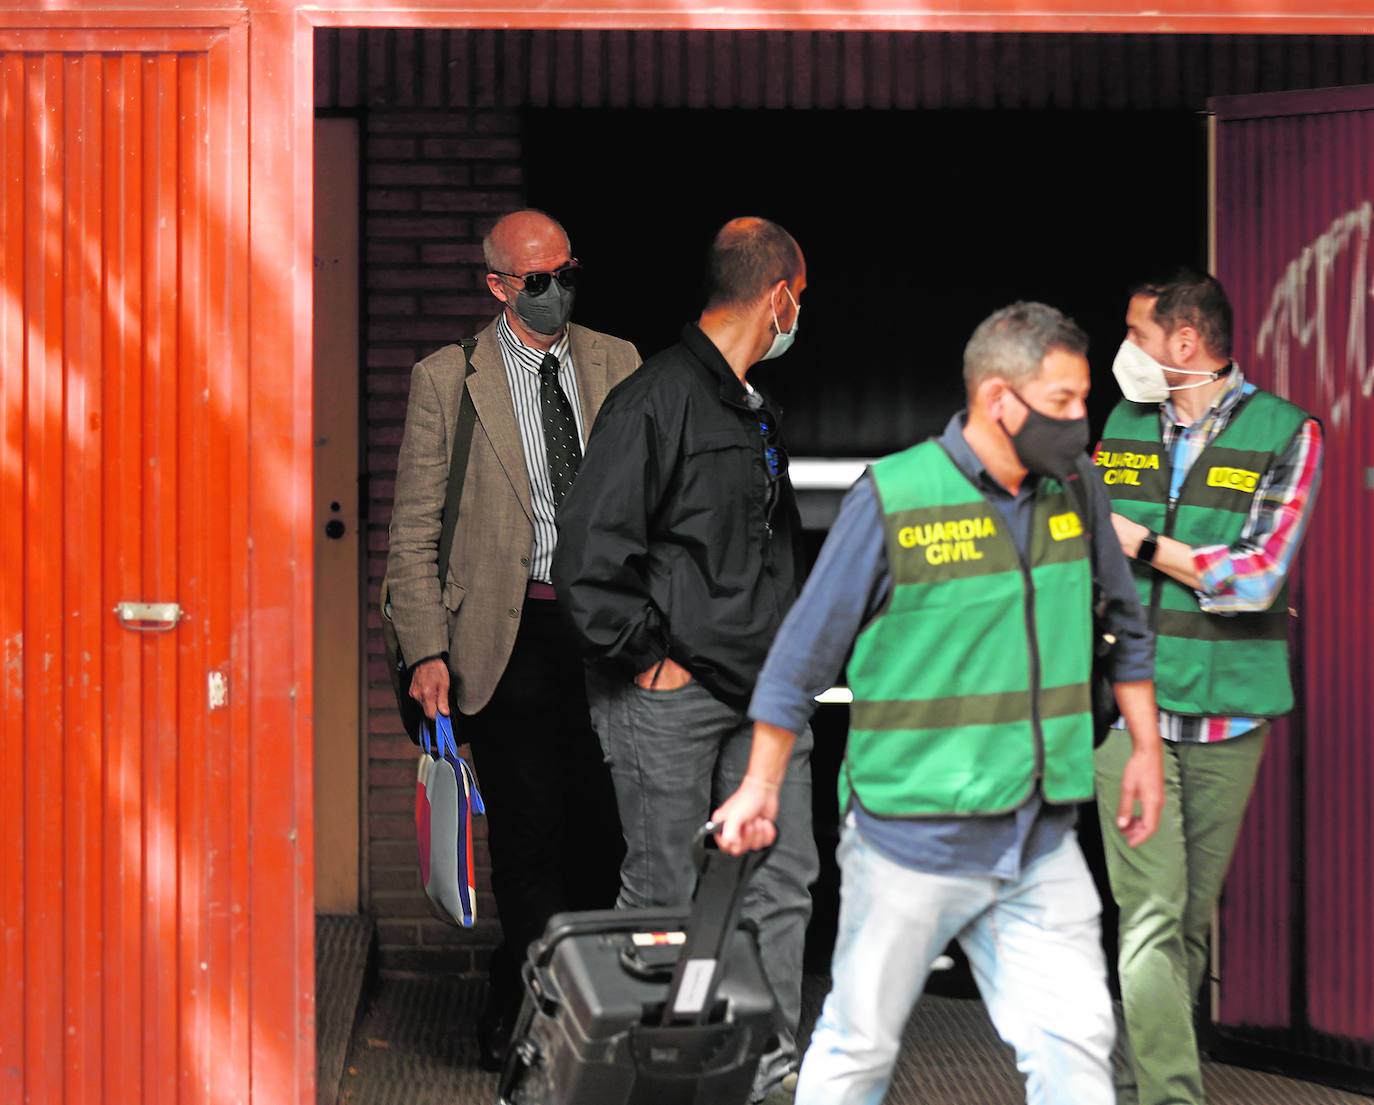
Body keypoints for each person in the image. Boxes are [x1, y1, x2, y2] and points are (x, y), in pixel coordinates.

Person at [713, 302, 1167, 1105]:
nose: (1080, 420)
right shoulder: (893, 497)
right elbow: (798, 659)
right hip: (907, 841)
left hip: (1038, 837)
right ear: (999, 398)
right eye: (1062, 401)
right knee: (857, 1048)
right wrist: (758, 784)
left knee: (1078, 1051)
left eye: (1081, 399)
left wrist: (1144, 753)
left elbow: (1125, 625)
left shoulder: (1078, 488)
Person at [551, 216, 818, 1103]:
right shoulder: (653, 399)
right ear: (777, 293)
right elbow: (588, 556)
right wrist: (647, 661)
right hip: (668, 696)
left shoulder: (754, 409)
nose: (799, 316)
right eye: (800, 299)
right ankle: (655, 1078)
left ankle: (766, 1070)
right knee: (665, 895)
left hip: (764, 695)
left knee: (779, 881)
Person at [384, 208, 640, 1070]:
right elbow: (414, 532)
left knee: (603, 835)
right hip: (509, 634)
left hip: (606, 630)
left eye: (569, 271)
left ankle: (541, 995)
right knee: (529, 837)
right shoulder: (446, 379)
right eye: (538, 280)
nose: (557, 290)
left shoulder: (619, 362)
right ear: (497, 285)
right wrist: (426, 650)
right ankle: (547, 1031)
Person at [1093, 269, 1324, 1105]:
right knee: (1151, 917)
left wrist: (1142, 543)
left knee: (1185, 924)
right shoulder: (1121, 422)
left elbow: (1258, 576)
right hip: (1129, 710)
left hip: (1229, 715)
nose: (1125, 350)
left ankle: (1150, 1067)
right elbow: (1080, 542)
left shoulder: (1288, 432)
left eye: (1137, 333)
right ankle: (1171, 1096)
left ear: (1183, 343)